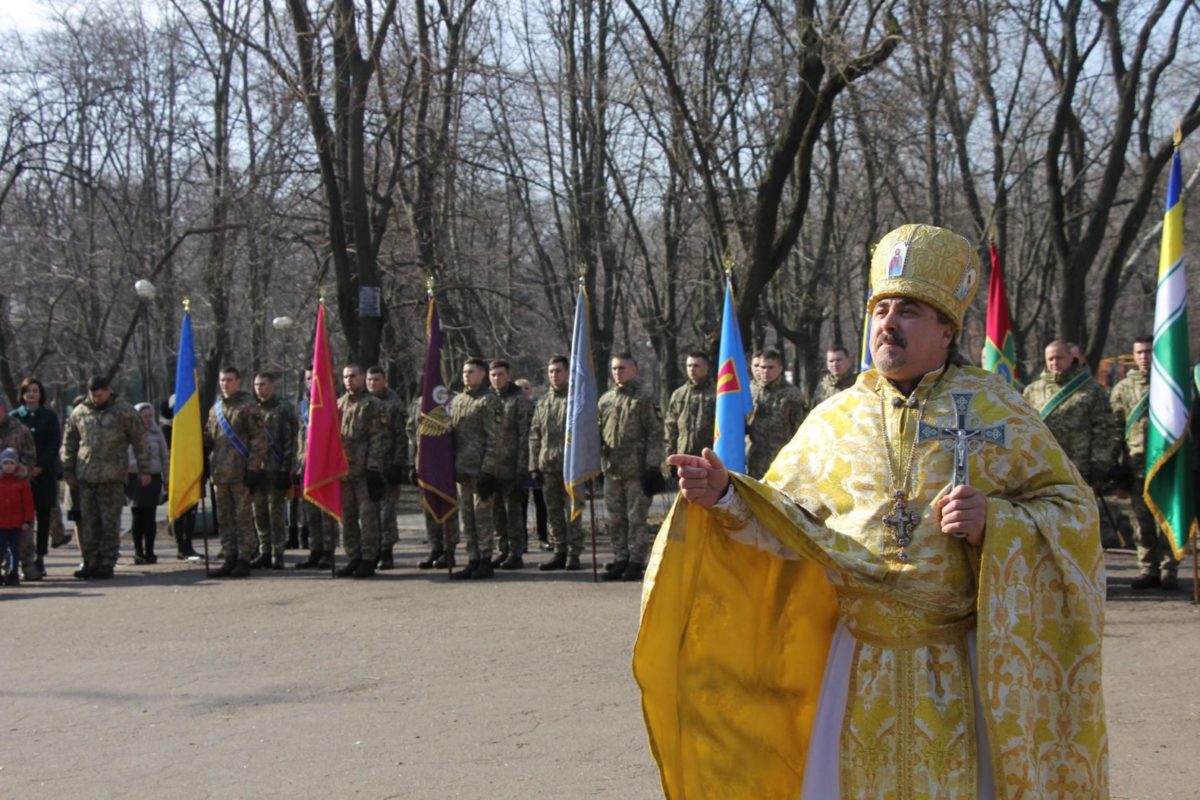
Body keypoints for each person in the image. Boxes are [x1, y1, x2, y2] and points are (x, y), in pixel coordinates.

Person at [639, 224, 1107, 798]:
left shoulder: (998, 408)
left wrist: (997, 523)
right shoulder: (835, 419)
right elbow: (791, 526)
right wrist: (727, 496)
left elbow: (1074, 514)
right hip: (854, 661)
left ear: (946, 328)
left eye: (908, 310)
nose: (887, 323)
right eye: (880, 308)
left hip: (959, 661)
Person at [61, 377, 151, 579]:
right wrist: (67, 469)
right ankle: (90, 560)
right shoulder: (80, 412)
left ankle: (108, 561)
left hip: (113, 476)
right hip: (86, 476)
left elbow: (141, 441)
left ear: (109, 391)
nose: (97, 399)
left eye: (100, 395)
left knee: (109, 521)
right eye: (93, 395)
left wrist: (145, 469)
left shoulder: (124, 411)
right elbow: (69, 442)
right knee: (89, 521)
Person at [1111, 335, 1179, 590]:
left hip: (1166, 463)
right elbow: (1115, 428)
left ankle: (1169, 568)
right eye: (1139, 352)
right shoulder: (1123, 388)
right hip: (1135, 465)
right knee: (1142, 521)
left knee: (1167, 518)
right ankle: (1147, 567)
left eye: (1148, 352)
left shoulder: (1172, 383)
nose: (1144, 357)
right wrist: (1116, 465)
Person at [597, 352, 665, 582]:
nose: (618, 372)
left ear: (634, 369)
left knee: (636, 518)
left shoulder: (645, 398)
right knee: (615, 518)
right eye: (615, 368)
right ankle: (620, 558)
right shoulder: (606, 400)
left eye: (622, 368)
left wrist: (653, 467)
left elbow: (656, 433)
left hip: (637, 470)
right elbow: (599, 433)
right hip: (612, 469)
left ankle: (636, 560)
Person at [1023, 340, 1120, 493]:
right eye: (1050, 359)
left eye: (1059, 357)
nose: (1054, 362)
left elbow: (1105, 429)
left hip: (1079, 466)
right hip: (1042, 467)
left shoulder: (1091, 389)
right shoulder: (1032, 390)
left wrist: (1099, 464)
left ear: (1071, 358)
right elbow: (1024, 428)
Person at [205, 367, 268, 579]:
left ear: (238, 382)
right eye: (223, 380)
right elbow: (209, 438)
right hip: (220, 473)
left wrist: (253, 468)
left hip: (241, 472)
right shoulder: (215, 409)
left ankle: (244, 558)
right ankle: (229, 556)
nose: (225, 384)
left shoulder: (248, 406)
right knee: (224, 518)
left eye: (230, 380)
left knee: (242, 518)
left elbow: (258, 439)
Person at [529, 355, 584, 571]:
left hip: (572, 467)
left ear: (568, 373)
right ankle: (559, 550)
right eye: (551, 371)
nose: (554, 375)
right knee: (553, 512)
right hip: (548, 466)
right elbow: (535, 435)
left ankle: (574, 553)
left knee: (573, 511)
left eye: (558, 371)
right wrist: (534, 466)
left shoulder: (576, 400)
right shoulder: (542, 403)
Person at [450, 357, 503, 580]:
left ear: (482, 374)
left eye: (471, 372)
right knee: (468, 517)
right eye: (464, 372)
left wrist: (488, 470)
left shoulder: (489, 401)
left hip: (481, 470)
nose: (466, 375)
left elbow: (495, 438)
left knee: (482, 517)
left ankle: (485, 559)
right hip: (462, 470)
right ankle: (472, 558)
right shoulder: (458, 401)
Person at [335, 364, 388, 579]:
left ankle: (368, 558)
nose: (349, 380)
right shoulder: (338, 404)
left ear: (362, 377)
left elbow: (379, 438)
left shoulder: (373, 404)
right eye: (346, 376)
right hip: (343, 471)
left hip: (364, 471)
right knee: (347, 517)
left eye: (353, 376)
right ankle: (353, 556)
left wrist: (373, 468)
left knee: (367, 518)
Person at [250, 372, 298, 570]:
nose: (259, 388)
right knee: (259, 513)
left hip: (276, 468)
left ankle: (278, 553)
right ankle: (264, 551)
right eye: (256, 385)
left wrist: (286, 469)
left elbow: (291, 440)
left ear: (272, 386)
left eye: (263, 384)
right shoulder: (251, 409)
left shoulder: (284, 408)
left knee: (275, 514)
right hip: (257, 470)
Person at [13, 377, 61, 577]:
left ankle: (40, 558)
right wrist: (22, 469)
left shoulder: (49, 417)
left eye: (35, 390)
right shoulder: (15, 417)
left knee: (42, 517)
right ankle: (21, 559)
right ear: (22, 395)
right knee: (22, 519)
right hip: (19, 477)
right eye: (28, 391)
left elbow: (53, 444)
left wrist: (40, 466)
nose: (31, 394)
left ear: (41, 394)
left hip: (43, 475)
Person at [487, 359, 532, 569]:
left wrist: (522, 468)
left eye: (500, 374)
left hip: (512, 465)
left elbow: (525, 435)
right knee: (496, 512)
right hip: (491, 467)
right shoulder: (487, 399)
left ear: (508, 375)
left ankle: (516, 551)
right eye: (493, 375)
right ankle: (502, 549)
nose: (497, 379)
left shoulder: (519, 400)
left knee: (513, 512)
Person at [294, 368, 339, 570]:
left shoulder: (332, 404)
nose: (312, 382)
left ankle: (329, 552)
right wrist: (297, 465)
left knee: (325, 511)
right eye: (308, 379)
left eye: (315, 378)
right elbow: (300, 439)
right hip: (307, 465)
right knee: (309, 512)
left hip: (325, 465)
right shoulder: (302, 405)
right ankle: (315, 550)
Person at [407, 393, 459, 569]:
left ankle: (449, 551)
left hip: (445, 464)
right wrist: (412, 463)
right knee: (429, 508)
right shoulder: (419, 402)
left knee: (447, 507)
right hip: (424, 464)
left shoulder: (453, 401)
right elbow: (412, 433)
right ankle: (435, 548)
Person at [366, 366, 407, 569]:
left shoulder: (394, 404)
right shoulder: (364, 403)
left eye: (376, 380)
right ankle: (371, 550)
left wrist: (399, 464)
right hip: (366, 467)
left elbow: (401, 436)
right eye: (369, 380)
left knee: (386, 512)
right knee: (369, 513)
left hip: (388, 465)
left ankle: (386, 551)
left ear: (385, 381)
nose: (372, 383)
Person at [746, 348, 807, 478]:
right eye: (762, 367)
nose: (765, 371)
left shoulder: (791, 394)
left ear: (780, 368)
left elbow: (800, 430)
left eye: (770, 367)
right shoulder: (750, 390)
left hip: (781, 459)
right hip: (755, 458)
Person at [159, 395, 200, 559]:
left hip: (191, 474)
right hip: (175, 475)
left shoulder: (192, 427)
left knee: (191, 511)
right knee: (179, 511)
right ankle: (180, 546)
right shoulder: (166, 430)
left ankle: (188, 544)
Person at [127, 402, 168, 564]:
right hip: (135, 477)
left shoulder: (157, 432)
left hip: (154, 477)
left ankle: (150, 551)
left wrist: (166, 479)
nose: (148, 419)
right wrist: (141, 471)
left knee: (150, 515)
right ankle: (138, 551)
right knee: (137, 513)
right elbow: (127, 456)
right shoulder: (130, 432)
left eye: (151, 416)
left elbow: (164, 456)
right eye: (145, 416)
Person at [664, 351, 716, 458]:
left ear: (706, 368)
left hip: (709, 455)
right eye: (689, 366)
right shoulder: (679, 394)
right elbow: (671, 427)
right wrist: (670, 454)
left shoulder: (717, 394)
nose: (692, 369)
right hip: (683, 453)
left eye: (696, 366)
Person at [0, 448, 34, 586]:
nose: (8, 466)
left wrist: (27, 520)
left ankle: (13, 573)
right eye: (5, 463)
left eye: (11, 463)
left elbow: (28, 503)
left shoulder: (22, 483)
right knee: (0, 549)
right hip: (1, 524)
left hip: (16, 524)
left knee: (14, 550)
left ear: (16, 466)